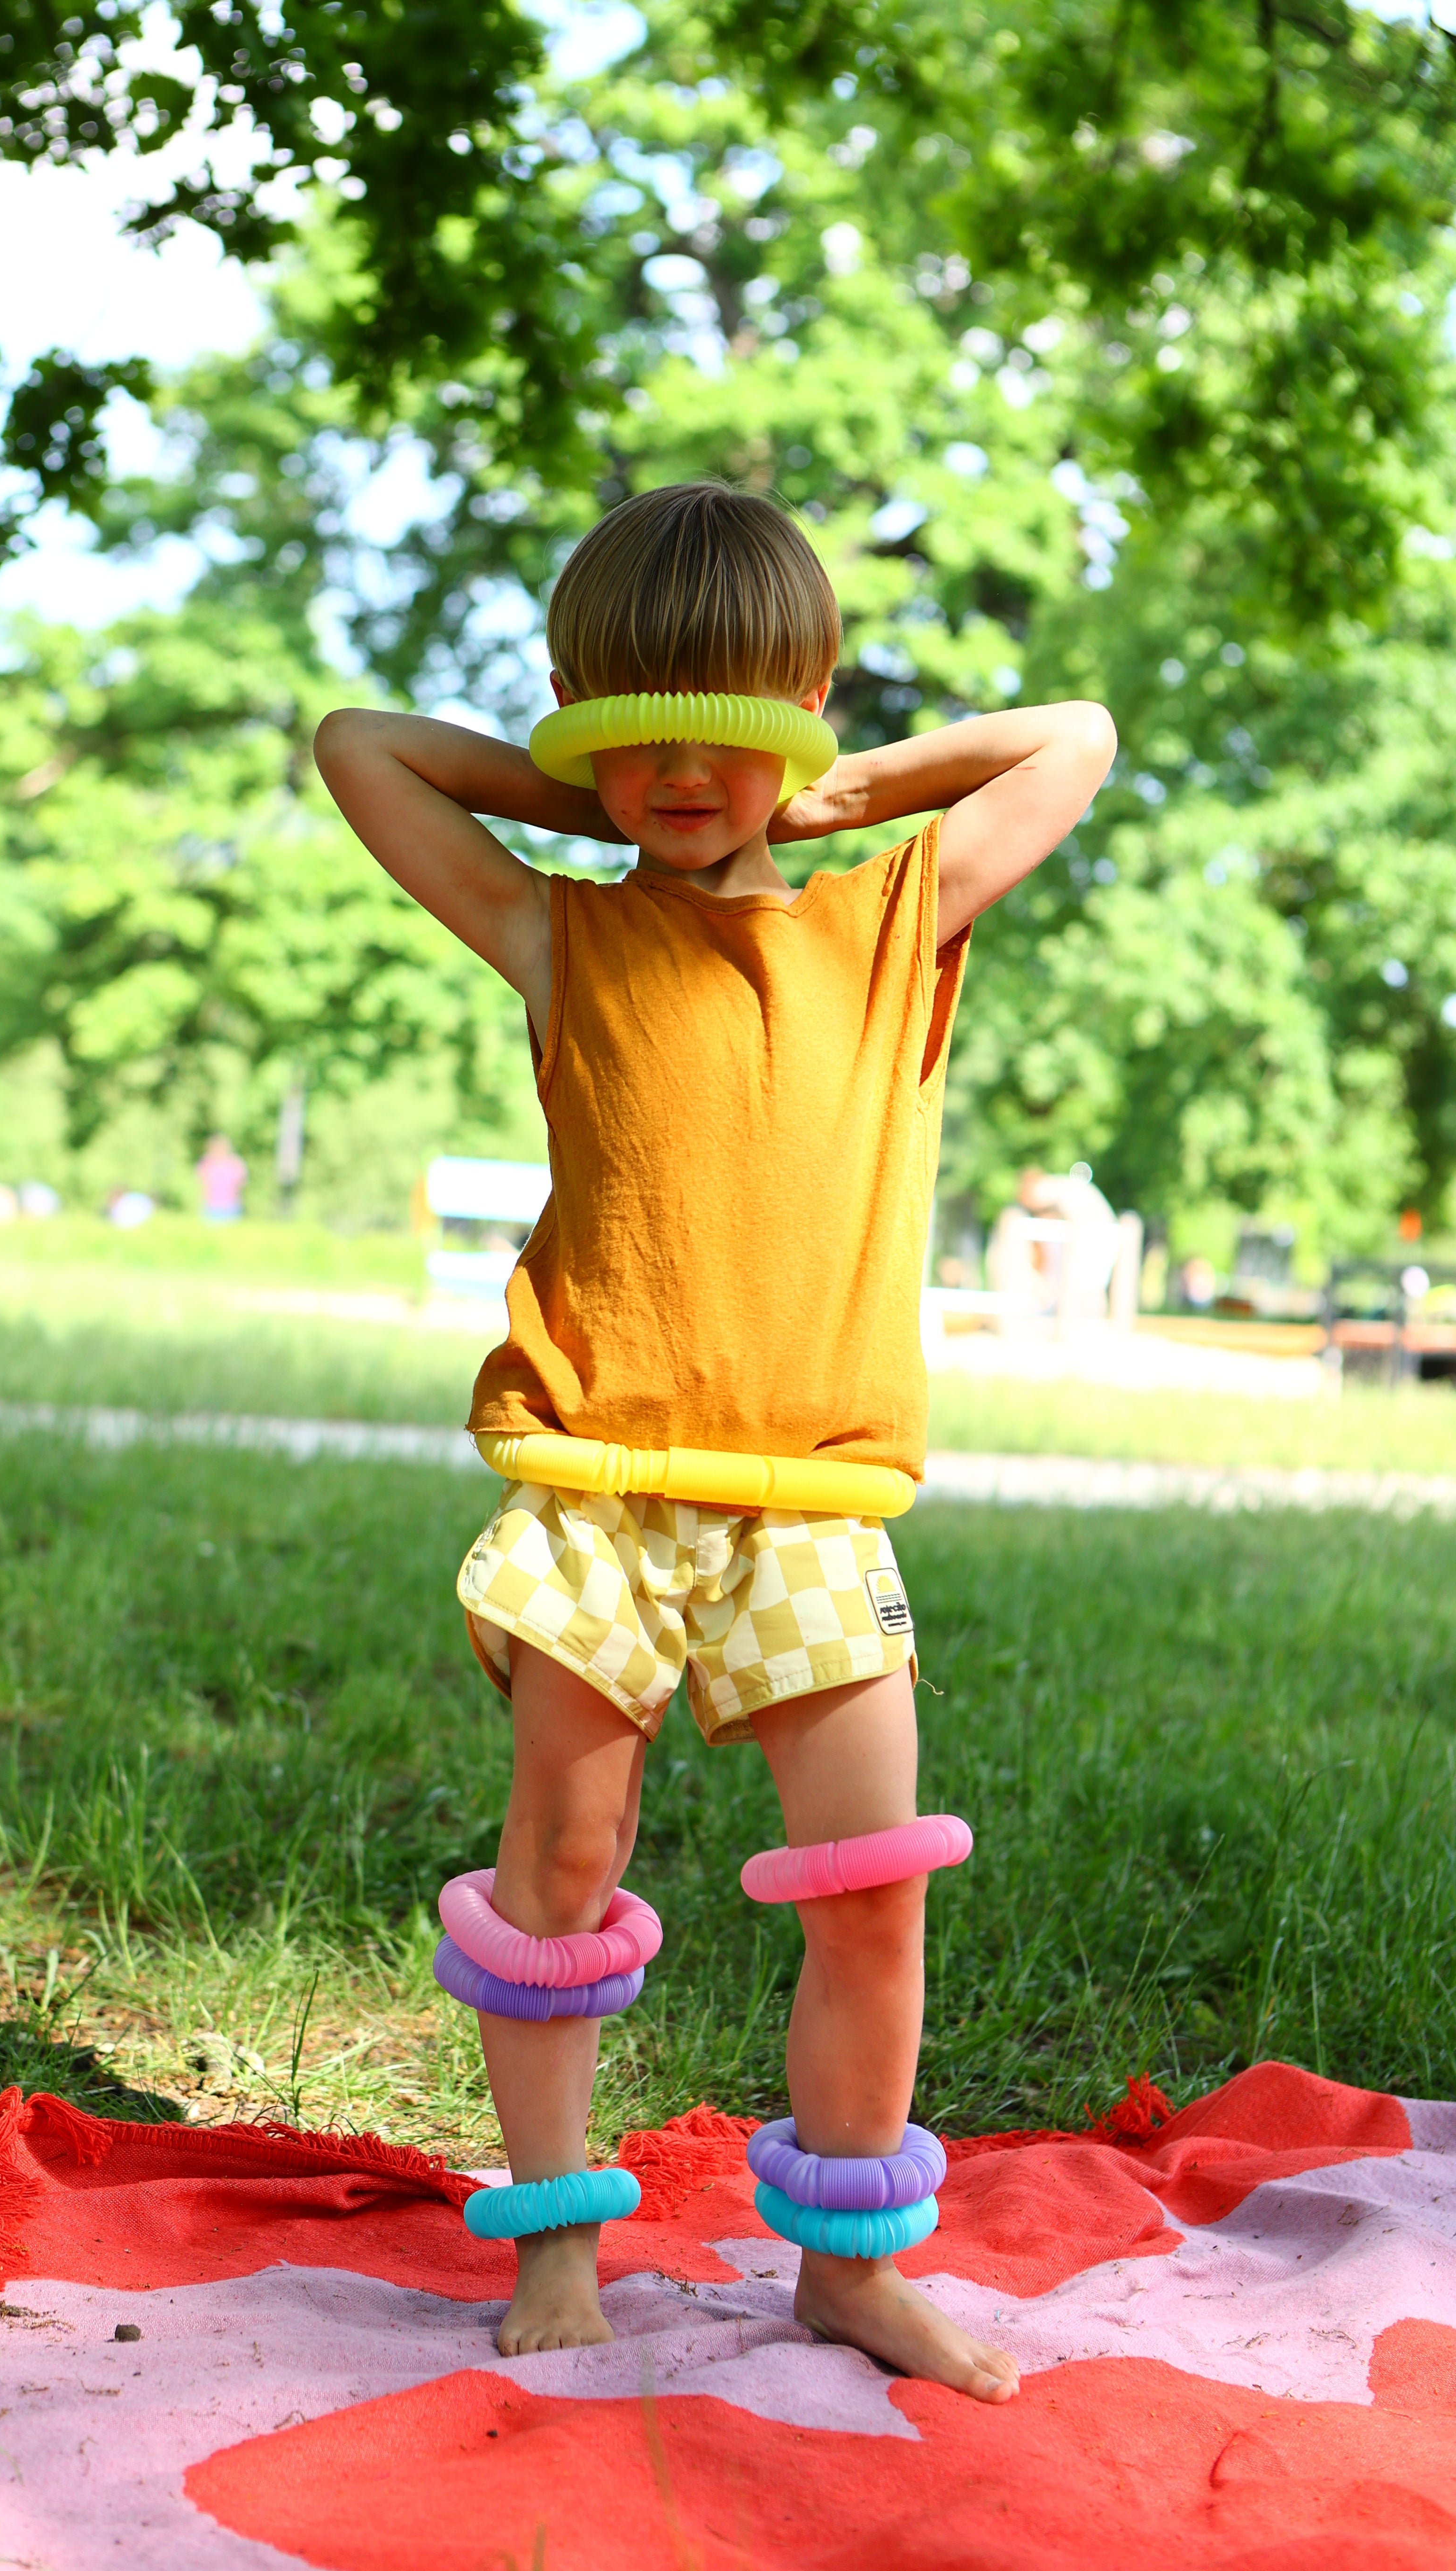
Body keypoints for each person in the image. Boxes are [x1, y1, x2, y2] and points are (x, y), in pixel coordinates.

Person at [315, 483, 1114, 2400]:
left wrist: (825, 789)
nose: (685, 766)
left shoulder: (890, 916)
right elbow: (363, 748)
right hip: (594, 1491)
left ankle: (849, 2263)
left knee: (874, 1885)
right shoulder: (561, 931)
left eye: (731, 722)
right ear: (585, 730)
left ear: (806, 707)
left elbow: (1070, 741)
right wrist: (595, 792)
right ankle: (560, 2233)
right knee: (565, 1864)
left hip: (813, 1509)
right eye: (633, 723)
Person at [196, 1134, 248, 1222]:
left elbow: (242, 1182)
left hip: (232, 1207)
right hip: (211, 1207)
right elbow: (202, 1181)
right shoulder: (207, 1162)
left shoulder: (235, 1163)